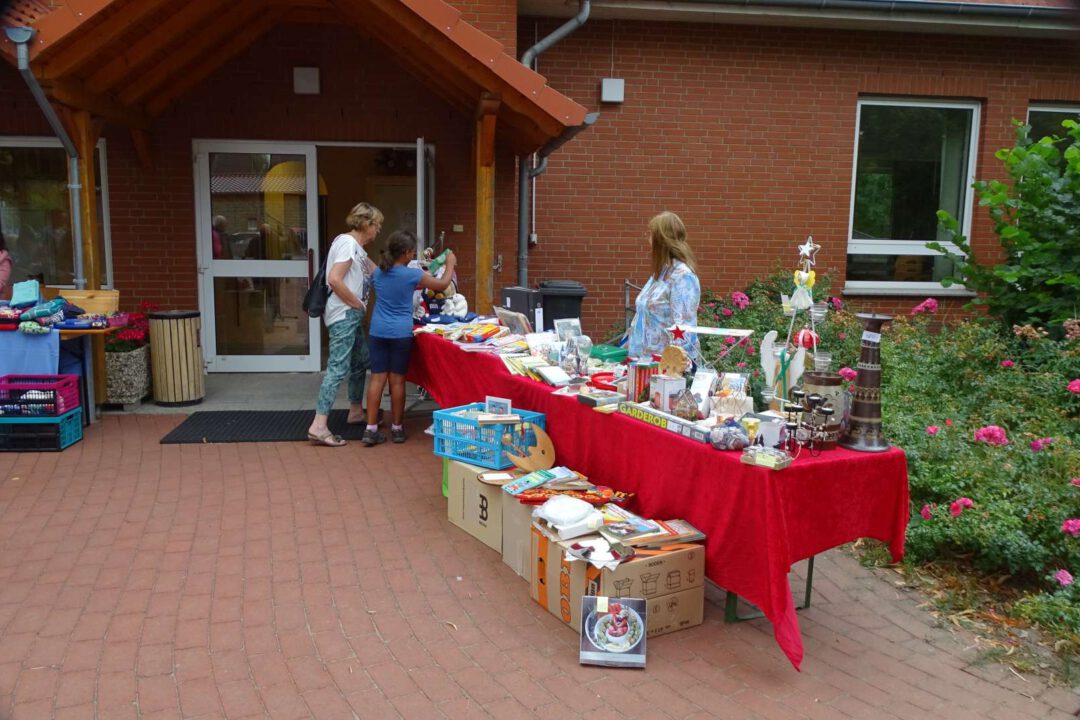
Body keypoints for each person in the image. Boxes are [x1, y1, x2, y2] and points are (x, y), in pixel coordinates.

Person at [362, 230, 455, 446]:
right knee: (397, 381)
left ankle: (371, 429)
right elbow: (441, 285)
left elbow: (409, 283)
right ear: (404, 253)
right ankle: (397, 428)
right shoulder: (410, 275)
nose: (414, 256)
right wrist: (449, 263)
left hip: (377, 331)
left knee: (377, 379)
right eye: (412, 252)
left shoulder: (379, 273)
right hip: (400, 333)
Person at [306, 202, 383, 447]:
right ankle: (318, 425)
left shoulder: (357, 248)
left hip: (350, 316)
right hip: (344, 315)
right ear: (366, 224)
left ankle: (355, 411)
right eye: (377, 225)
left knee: (360, 360)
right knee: (338, 367)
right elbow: (335, 280)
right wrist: (357, 304)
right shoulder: (348, 244)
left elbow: (378, 272)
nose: (378, 230)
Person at [627, 211, 701, 362]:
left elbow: (683, 328)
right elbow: (643, 316)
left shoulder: (682, 277)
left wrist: (675, 369)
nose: (649, 239)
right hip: (643, 362)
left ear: (661, 239)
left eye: (651, 234)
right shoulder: (661, 274)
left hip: (666, 369)